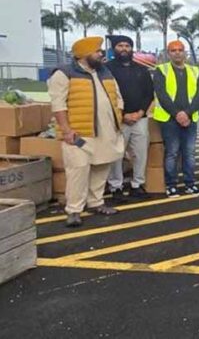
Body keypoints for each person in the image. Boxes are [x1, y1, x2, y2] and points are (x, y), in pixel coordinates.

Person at [49, 37, 123, 227]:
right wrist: (66, 130)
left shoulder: (105, 72)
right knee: (78, 171)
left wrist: (118, 117)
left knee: (102, 166)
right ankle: (74, 210)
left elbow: (117, 97)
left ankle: (96, 202)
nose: (101, 53)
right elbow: (58, 105)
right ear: (84, 54)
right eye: (97, 51)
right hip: (79, 133)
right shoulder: (64, 73)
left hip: (106, 131)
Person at [106, 35, 154, 202]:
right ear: (114, 48)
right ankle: (116, 186)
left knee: (140, 153)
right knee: (117, 154)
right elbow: (107, 95)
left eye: (127, 46)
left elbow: (149, 94)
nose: (124, 49)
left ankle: (137, 185)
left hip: (140, 118)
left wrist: (140, 113)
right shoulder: (106, 70)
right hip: (118, 119)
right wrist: (123, 115)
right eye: (120, 45)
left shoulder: (141, 69)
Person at [153, 40, 199, 197]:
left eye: (180, 50)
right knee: (172, 153)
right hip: (169, 120)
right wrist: (177, 114)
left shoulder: (195, 71)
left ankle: (190, 184)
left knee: (189, 153)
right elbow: (162, 95)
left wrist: (187, 114)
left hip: (190, 119)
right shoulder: (161, 70)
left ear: (185, 52)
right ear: (168, 53)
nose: (177, 53)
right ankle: (171, 185)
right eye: (173, 50)